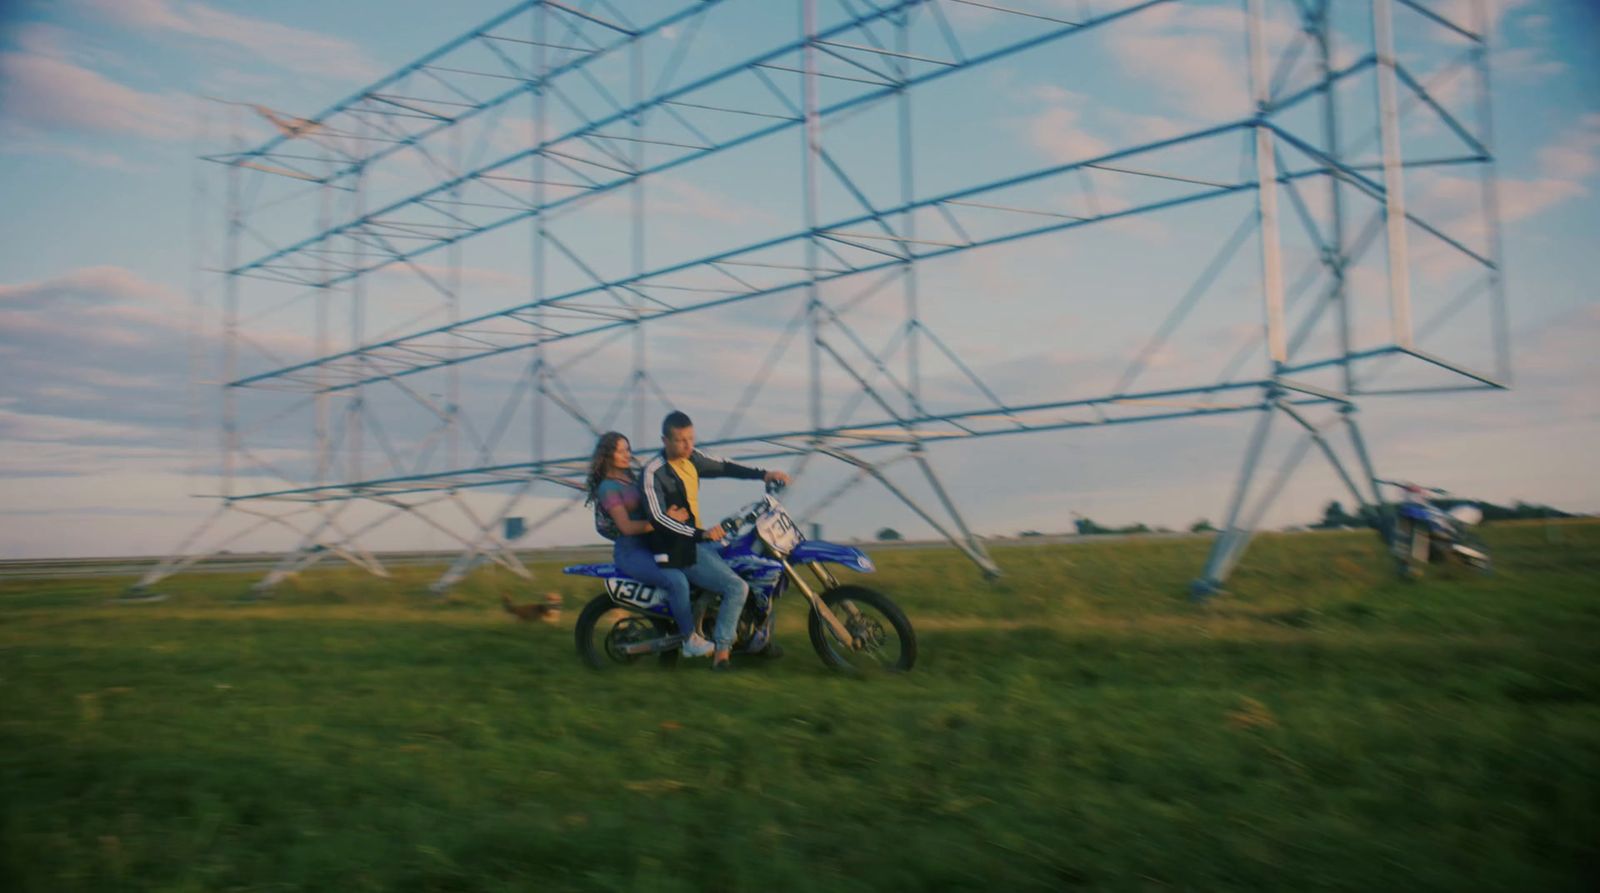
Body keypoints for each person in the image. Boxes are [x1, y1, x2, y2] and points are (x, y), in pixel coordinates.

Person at [642, 411, 790, 671]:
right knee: (737, 587)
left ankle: (756, 641)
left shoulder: (691, 459)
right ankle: (722, 653)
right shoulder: (654, 472)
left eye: (691, 438)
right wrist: (702, 534)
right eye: (681, 440)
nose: (688, 445)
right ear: (665, 440)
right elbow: (657, 519)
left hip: (695, 541)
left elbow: (724, 467)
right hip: (675, 548)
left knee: (756, 566)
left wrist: (764, 475)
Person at [585, 431, 714, 658]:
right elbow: (625, 527)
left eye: (628, 449)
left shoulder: (632, 479)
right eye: (620, 450)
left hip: (654, 544)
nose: (627, 454)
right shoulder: (608, 488)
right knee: (676, 580)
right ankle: (689, 639)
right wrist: (665, 520)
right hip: (631, 550)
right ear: (608, 455)